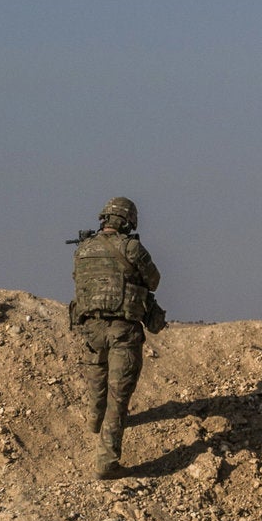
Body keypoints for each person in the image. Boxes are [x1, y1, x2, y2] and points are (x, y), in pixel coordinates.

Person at [67, 196, 163, 478]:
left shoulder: (83, 249)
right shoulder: (131, 247)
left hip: (92, 328)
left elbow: (79, 281)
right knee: (118, 396)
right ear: (128, 221)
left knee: (97, 379)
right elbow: (154, 280)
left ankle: (94, 422)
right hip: (123, 329)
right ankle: (107, 463)